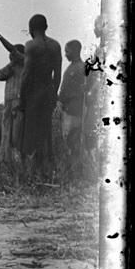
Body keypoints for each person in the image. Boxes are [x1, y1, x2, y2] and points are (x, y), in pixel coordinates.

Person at [18, 14, 62, 172]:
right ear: (46, 27)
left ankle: (31, 168)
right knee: (45, 130)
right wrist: (53, 94)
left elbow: (26, 74)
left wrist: (21, 99)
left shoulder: (30, 45)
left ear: (30, 29)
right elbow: (57, 74)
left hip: (33, 93)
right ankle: (46, 166)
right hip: (48, 91)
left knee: (30, 131)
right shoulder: (55, 45)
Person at [0, 27, 26, 162]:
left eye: (13, 54)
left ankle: (16, 160)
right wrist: (11, 65)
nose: (11, 56)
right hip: (9, 102)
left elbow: (12, 51)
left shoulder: (25, 64)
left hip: (18, 102)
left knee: (16, 135)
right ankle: (7, 160)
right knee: (7, 132)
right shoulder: (13, 66)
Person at [58, 39, 86, 175]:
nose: (65, 54)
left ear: (75, 51)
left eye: (67, 51)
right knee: (69, 140)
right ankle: (73, 170)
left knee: (73, 140)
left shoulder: (80, 67)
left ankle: (75, 171)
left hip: (74, 108)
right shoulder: (74, 66)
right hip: (68, 108)